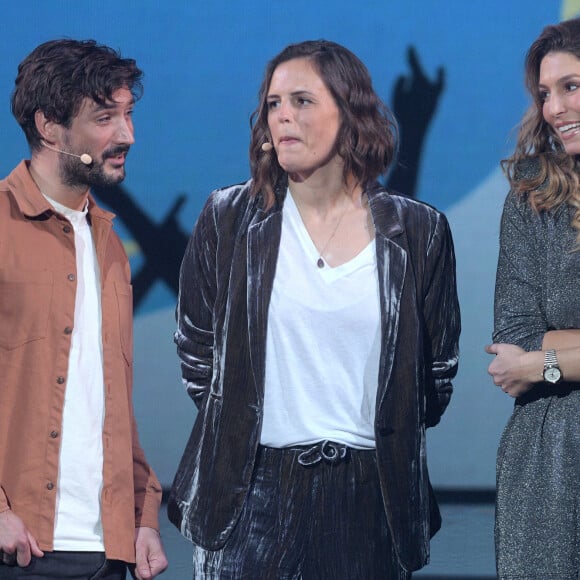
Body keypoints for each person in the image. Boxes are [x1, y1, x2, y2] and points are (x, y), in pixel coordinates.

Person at [169, 39, 460, 578]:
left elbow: (435, 375)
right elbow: (197, 351)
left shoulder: (419, 231)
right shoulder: (228, 218)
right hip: (247, 499)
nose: (282, 116)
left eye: (301, 101)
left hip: (371, 500)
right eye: (273, 104)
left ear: (351, 114)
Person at [0, 39, 168, 579]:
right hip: (20, 545)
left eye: (129, 115)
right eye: (105, 117)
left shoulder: (109, 242)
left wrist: (143, 514)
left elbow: (109, 395)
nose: (128, 135)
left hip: (109, 550)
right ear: (49, 126)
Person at [486, 18, 580, 580]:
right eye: (544, 94)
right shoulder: (532, 193)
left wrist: (544, 363)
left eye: (571, 87)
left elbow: (530, 356)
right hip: (550, 458)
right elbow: (514, 338)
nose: (552, 108)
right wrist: (534, 356)